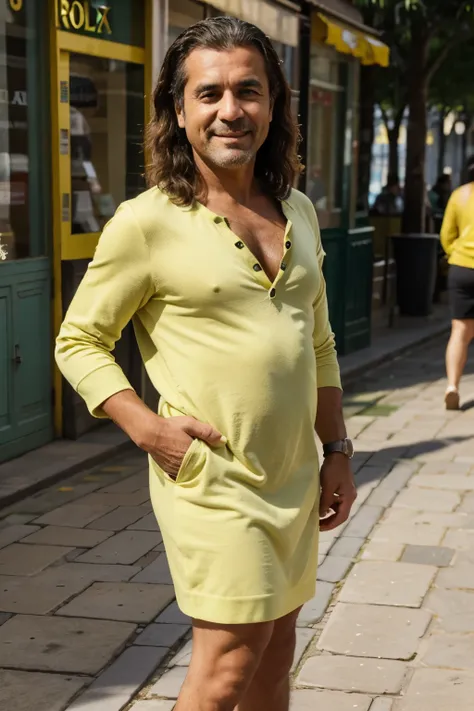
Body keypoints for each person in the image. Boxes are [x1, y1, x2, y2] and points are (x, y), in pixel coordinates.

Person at [55, 17, 357, 711]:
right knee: (225, 668)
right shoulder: (147, 220)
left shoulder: (299, 210)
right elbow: (78, 340)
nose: (231, 110)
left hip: (292, 476)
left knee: (276, 658)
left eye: (248, 91)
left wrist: (335, 447)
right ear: (179, 109)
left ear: (274, 103)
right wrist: (147, 428)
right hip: (215, 479)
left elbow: (318, 340)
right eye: (210, 93)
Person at [441, 157, 474, 410]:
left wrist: (456, 254)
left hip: (462, 269)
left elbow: (446, 235)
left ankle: (452, 385)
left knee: (459, 332)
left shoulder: (460, 195)